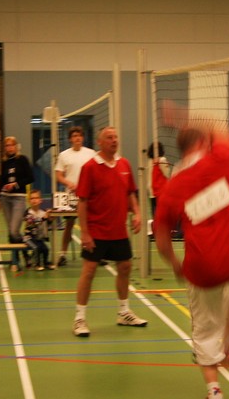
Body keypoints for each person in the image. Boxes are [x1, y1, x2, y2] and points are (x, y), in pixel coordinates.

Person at [154, 108, 229, 399]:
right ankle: (227, 343)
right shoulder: (222, 159)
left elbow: (161, 238)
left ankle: (214, 396)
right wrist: (185, 117)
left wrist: (175, 264)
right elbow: (219, 127)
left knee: (204, 329)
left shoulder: (172, 187)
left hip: (205, 269)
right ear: (203, 142)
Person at [71, 126, 146, 337]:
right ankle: (79, 319)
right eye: (109, 137)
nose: (114, 140)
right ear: (100, 142)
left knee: (125, 266)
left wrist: (137, 213)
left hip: (118, 230)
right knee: (89, 271)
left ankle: (124, 312)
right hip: (96, 230)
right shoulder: (89, 167)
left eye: (115, 137)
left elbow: (130, 193)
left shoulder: (124, 164)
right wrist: (85, 233)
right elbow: (82, 202)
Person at [54, 125, 97, 267]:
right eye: (74, 136)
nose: (77, 138)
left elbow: (97, 172)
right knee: (69, 225)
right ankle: (62, 254)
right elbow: (59, 175)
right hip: (71, 196)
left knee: (92, 225)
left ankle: (95, 254)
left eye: (79, 135)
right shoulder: (64, 155)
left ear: (83, 138)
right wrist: (68, 182)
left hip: (89, 196)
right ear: (70, 139)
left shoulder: (91, 153)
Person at [0, 136, 33, 273]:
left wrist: (16, 185)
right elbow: (1, 181)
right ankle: (15, 258)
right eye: (7, 145)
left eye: (12, 145)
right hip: (5, 198)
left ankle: (26, 253)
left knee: (14, 230)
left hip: (19, 198)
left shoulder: (22, 159)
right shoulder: (4, 162)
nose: (9, 148)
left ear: (16, 147)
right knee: (11, 231)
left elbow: (31, 177)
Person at [23, 190, 52, 270]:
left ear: (40, 200)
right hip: (29, 238)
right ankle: (37, 264)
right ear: (29, 201)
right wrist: (44, 218)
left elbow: (46, 225)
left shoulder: (42, 212)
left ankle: (46, 263)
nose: (34, 200)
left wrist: (50, 219)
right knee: (36, 248)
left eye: (36, 198)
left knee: (45, 249)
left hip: (38, 238)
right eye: (32, 198)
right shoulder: (28, 212)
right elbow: (33, 222)